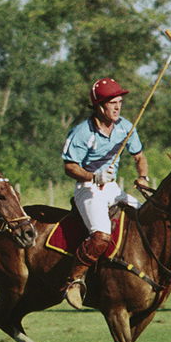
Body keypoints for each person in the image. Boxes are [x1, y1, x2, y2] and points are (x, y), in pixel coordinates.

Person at [58, 77, 150, 308]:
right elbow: (69, 167)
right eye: (112, 103)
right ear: (100, 106)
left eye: (120, 102)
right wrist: (93, 176)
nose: (118, 107)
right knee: (100, 236)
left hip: (112, 188)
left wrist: (143, 177)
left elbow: (139, 157)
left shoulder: (125, 127)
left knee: (145, 220)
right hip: (88, 188)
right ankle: (75, 280)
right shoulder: (82, 132)